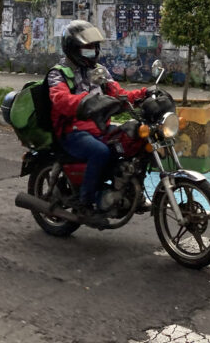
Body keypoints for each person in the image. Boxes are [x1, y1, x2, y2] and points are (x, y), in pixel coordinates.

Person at [47, 20, 146, 217]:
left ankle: (126, 190)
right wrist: (87, 102)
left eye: (94, 47)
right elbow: (61, 100)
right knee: (100, 152)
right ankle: (85, 202)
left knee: (133, 138)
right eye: (87, 47)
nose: (92, 50)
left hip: (98, 128)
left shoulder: (99, 71)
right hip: (72, 131)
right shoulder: (58, 73)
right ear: (73, 48)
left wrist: (145, 94)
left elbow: (119, 94)